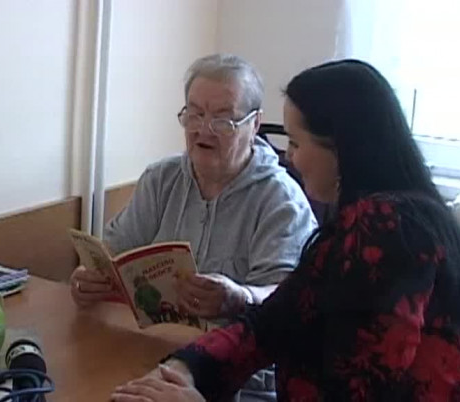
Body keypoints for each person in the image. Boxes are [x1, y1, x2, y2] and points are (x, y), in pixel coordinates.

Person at [110, 60, 460, 401]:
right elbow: (270, 323)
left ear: (341, 148)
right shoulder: (357, 223)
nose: (288, 156)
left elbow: (359, 391)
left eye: (294, 142)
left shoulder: (389, 232)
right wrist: (185, 368)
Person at [70, 54, 317, 400]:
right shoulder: (161, 178)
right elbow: (112, 250)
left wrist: (240, 296)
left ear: (254, 124)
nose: (203, 129)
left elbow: (287, 300)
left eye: (222, 119)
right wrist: (87, 277)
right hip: (151, 351)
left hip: (236, 379)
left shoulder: (282, 200)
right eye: (195, 114)